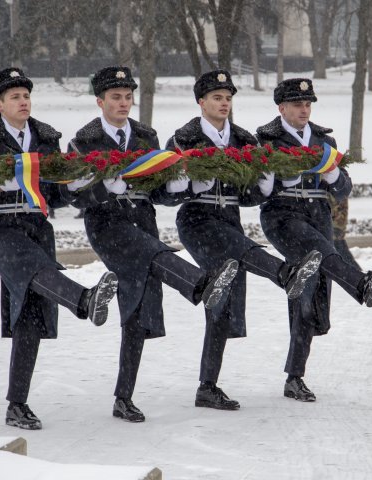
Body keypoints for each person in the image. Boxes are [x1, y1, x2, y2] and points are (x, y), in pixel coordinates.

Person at [67, 66, 240, 423]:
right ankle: (200, 285)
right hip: (108, 226)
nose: (124, 103)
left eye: (128, 96)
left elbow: (159, 190)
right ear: (100, 101)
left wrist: (182, 188)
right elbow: (74, 197)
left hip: (142, 222)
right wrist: (103, 190)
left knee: (136, 306)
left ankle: (123, 397)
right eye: (116, 97)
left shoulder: (146, 136)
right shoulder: (83, 141)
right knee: (153, 255)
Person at [0, 67, 119, 430]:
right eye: (15, 96)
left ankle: (18, 404)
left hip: (35, 224)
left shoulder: (45, 136)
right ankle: (84, 300)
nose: (23, 101)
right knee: (33, 268)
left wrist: (74, 187)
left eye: (26, 95)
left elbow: (54, 195)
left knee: (30, 314)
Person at [165, 69, 323, 411]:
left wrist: (264, 186)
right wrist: (190, 185)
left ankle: (207, 387)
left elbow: (249, 196)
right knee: (238, 250)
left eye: (228, 98)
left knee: (220, 301)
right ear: (201, 102)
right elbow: (163, 192)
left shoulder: (243, 140)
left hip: (228, 220)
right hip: (197, 221)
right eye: (217, 98)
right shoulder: (184, 138)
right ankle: (284, 274)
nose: (224, 103)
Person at [255, 78, 372, 402]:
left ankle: (295, 377)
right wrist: (278, 180)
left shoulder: (322, 140)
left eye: (308, 104)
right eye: (297, 104)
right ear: (282, 108)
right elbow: (254, 190)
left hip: (317, 214)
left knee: (308, 295)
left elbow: (343, 189)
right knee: (317, 253)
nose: (304, 109)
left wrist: (333, 175)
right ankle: (361, 285)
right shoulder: (268, 142)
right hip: (283, 215)